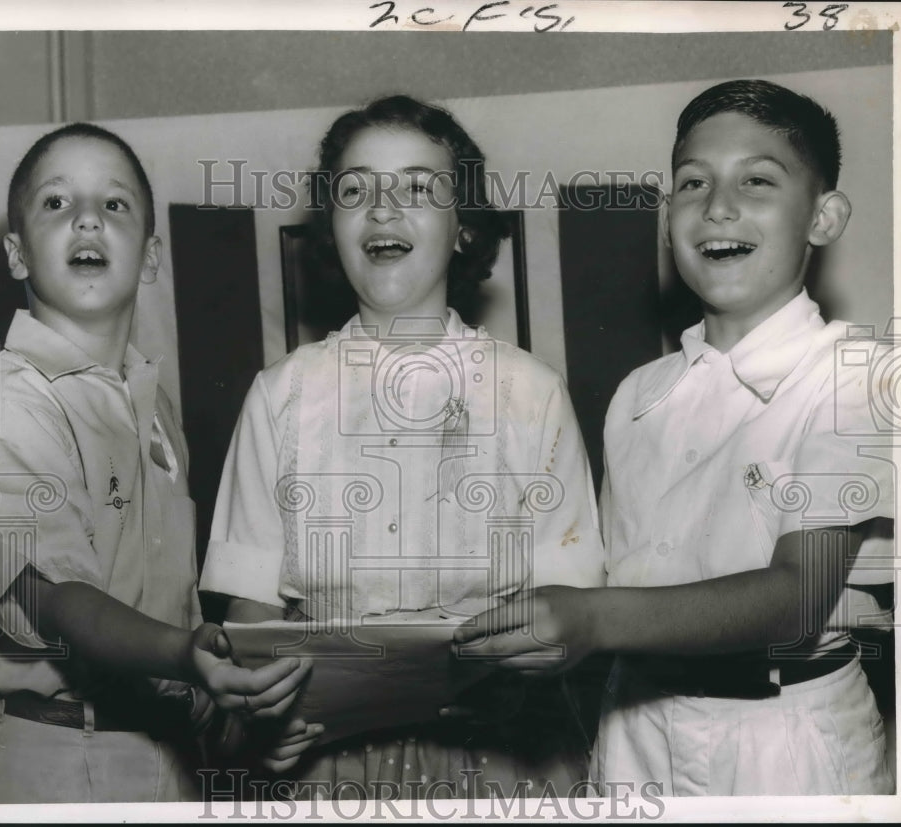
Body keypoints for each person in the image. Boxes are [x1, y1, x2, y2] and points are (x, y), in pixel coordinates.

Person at [454, 79, 895, 796]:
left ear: (824, 216)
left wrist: (590, 619)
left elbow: (797, 597)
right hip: (633, 731)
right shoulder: (637, 395)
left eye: (757, 180)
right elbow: (603, 582)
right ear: (667, 221)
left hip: (784, 747)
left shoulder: (858, 376)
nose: (718, 206)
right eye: (692, 183)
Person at [200, 95, 606, 800]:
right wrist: (267, 712)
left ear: (463, 229)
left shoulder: (531, 392)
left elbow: (568, 602)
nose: (383, 210)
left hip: (506, 761)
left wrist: (528, 664)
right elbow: (250, 614)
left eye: (419, 188)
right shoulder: (280, 395)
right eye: (356, 189)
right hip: (331, 766)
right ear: (332, 224)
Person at [0, 122, 319, 804]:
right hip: (46, 757)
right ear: (16, 253)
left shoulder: (153, 406)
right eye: (56, 203)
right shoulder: (13, 402)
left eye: (115, 204)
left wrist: (239, 716)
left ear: (150, 256)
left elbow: (168, 615)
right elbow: (58, 600)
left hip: (162, 755)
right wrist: (186, 655)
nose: (88, 217)